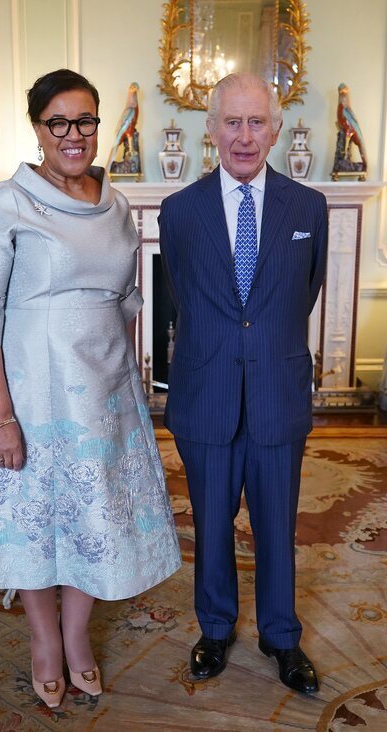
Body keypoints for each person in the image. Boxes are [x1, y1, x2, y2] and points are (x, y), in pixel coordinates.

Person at [0, 69, 181, 710]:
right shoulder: (5, 203)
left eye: (85, 121)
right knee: (34, 521)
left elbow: (123, 302)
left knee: (95, 515)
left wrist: (121, 377)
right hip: (32, 394)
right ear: (37, 129)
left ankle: (76, 634)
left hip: (104, 392)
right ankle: (43, 640)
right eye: (57, 122)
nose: (73, 135)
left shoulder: (117, 206)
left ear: (101, 127)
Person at [158, 73, 327, 694]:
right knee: (210, 523)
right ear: (210, 130)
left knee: (278, 524)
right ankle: (215, 627)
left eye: (257, 122)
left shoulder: (308, 208)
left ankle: (282, 638)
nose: (245, 136)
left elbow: (302, 295)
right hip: (206, 396)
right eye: (232, 122)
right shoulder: (180, 212)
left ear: (276, 130)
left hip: (278, 397)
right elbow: (184, 296)